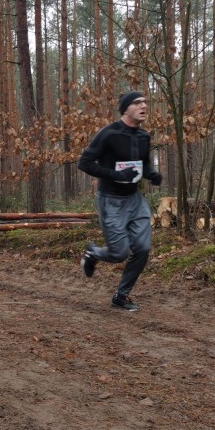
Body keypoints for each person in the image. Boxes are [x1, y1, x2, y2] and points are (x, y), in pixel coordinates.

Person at [77, 91, 162, 312]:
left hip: (135, 200)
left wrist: (151, 174)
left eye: (145, 102)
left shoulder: (143, 137)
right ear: (125, 108)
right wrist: (116, 175)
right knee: (119, 253)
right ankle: (93, 253)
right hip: (111, 201)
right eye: (137, 102)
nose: (144, 105)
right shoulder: (109, 134)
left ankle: (121, 296)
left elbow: (142, 165)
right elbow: (84, 163)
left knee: (142, 248)